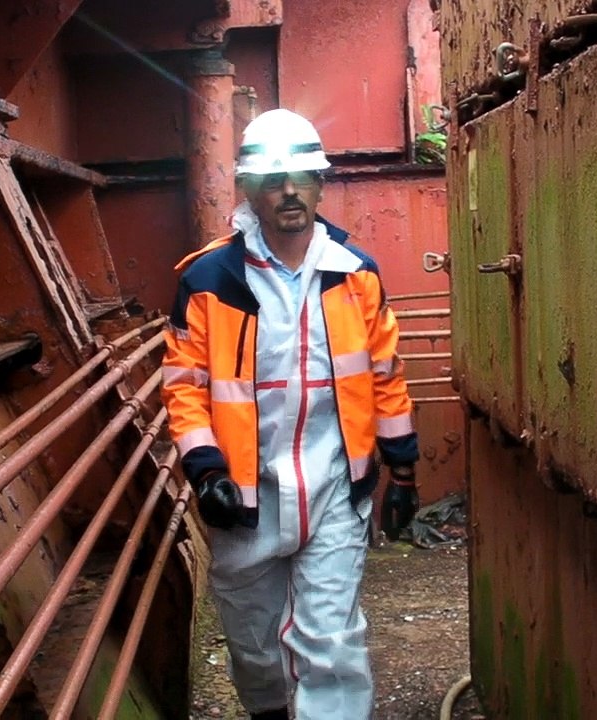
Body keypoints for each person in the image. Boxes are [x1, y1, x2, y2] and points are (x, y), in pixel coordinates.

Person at [160, 108, 420, 720]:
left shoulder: (355, 276)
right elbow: (185, 385)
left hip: (333, 488)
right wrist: (206, 470)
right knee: (254, 648)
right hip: (246, 499)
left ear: (321, 184)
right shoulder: (208, 280)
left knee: (331, 642)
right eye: (273, 180)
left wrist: (402, 472)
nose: (289, 191)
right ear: (248, 189)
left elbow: (384, 377)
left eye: (302, 177)